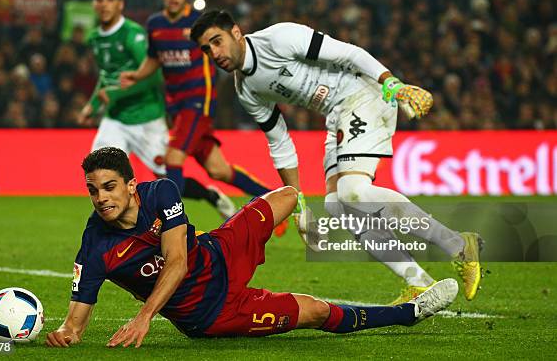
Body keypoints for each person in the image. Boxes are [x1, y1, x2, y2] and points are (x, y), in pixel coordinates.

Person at [190, 10, 484, 303]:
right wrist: (300, 205)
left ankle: (458, 245)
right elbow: (279, 142)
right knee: (335, 204)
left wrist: (391, 83)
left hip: (364, 93)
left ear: (236, 33)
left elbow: (351, 53)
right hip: (337, 115)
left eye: (217, 41)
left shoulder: (279, 39)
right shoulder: (246, 90)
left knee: (353, 191)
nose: (214, 53)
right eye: (206, 49)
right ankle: (419, 281)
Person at [45, 147, 458, 348]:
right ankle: (410, 313)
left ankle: (307, 229)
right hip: (213, 313)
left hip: (219, 252)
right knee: (313, 310)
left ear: (131, 185)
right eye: (93, 190)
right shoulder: (95, 245)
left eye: (110, 186)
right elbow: (76, 323)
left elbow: (177, 262)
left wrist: (145, 316)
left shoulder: (162, 192)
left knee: (289, 195)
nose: (101, 197)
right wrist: (65, 333)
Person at [119, 0, 287, 234]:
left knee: (172, 160)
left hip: (198, 102)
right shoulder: (155, 24)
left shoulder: (198, 26)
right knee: (219, 171)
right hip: (176, 108)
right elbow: (155, 58)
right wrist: (137, 75)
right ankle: (276, 199)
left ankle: (173, 227)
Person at [78, 0, 235, 219]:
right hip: (115, 120)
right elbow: (106, 77)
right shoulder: (95, 38)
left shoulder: (134, 35)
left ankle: (208, 195)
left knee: (169, 180)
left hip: (147, 117)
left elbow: (152, 78)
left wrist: (113, 94)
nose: (104, 5)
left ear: (121, 4)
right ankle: (111, 235)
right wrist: (93, 105)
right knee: (101, 172)